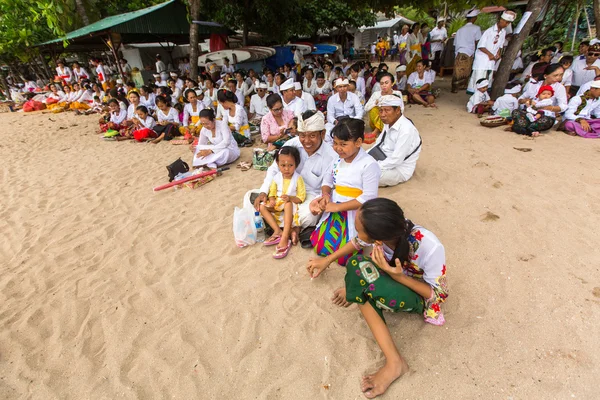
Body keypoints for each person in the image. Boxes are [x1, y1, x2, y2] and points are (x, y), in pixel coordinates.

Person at [306, 198, 448, 398]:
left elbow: (437, 295)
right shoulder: (386, 228)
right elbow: (357, 242)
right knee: (356, 263)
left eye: (360, 229)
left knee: (363, 287)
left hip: (416, 294)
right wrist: (327, 260)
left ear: (377, 238)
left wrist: (395, 275)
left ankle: (395, 362)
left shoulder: (429, 246)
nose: (357, 234)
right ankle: (358, 288)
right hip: (391, 276)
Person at [310, 119, 380, 265]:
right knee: (319, 245)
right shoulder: (337, 160)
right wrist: (325, 196)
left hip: (356, 213)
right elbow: (327, 181)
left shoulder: (369, 164)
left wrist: (337, 207)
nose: (337, 148)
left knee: (345, 258)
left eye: (343, 144)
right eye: (335, 143)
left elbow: (369, 197)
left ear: (358, 142)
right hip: (335, 208)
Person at [253, 110, 338, 233]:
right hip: (282, 191)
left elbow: (327, 185)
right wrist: (263, 192)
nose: (306, 141)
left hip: (309, 197)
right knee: (255, 202)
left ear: (323, 134)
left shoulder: (331, 156)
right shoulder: (291, 144)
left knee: (310, 216)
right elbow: (274, 169)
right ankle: (293, 228)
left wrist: (319, 200)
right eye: (302, 135)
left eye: (312, 136)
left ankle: (281, 226)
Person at [259, 146, 306, 259]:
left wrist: (290, 198)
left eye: (290, 165)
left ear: (296, 164)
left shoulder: (298, 178)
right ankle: (277, 230)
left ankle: (285, 236)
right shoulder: (276, 177)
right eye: (283, 165)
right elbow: (272, 192)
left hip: (291, 205)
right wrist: (272, 200)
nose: (286, 169)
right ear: (277, 163)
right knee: (262, 207)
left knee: (288, 204)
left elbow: (301, 197)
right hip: (278, 204)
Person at [368, 95, 421, 187]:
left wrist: (372, 165)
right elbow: (378, 144)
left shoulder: (406, 130)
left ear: (397, 110)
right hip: (382, 159)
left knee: (368, 176)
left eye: (387, 110)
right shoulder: (388, 123)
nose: (382, 114)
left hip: (398, 169)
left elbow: (396, 160)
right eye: (381, 111)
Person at [467, 11, 514, 94]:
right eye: (506, 23)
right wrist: (490, 54)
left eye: (508, 23)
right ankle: (475, 97)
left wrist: (498, 54)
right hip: (482, 58)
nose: (506, 25)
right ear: (501, 20)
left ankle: (483, 95)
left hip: (491, 60)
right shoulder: (489, 31)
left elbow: (500, 46)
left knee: (488, 77)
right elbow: (481, 46)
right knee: (479, 77)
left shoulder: (503, 33)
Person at [325, 78, 364, 143]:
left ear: (348, 87)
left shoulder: (354, 97)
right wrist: (335, 122)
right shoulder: (332, 99)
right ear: (336, 88)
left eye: (345, 86)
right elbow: (330, 115)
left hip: (351, 121)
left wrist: (352, 122)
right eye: (340, 87)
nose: (342, 89)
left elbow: (360, 112)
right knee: (327, 128)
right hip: (337, 122)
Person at [452, 9, 482, 93]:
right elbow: (478, 41)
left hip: (459, 51)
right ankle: (461, 86)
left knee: (458, 70)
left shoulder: (460, 29)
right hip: (468, 52)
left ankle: (456, 87)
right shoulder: (476, 28)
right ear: (474, 18)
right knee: (465, 70)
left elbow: (455, 43)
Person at [365, 72, 403, 138]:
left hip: (391, 122)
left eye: (386, 83)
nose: (384, 85)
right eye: (382, 83)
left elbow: (401, 109)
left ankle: (376, 131)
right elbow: (366, 108)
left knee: (387, 110)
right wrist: (375, 103)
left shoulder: (397, 93)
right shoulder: (376, 94)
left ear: (392, 83)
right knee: (375, 109)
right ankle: (378, 129)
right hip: (376, 121)